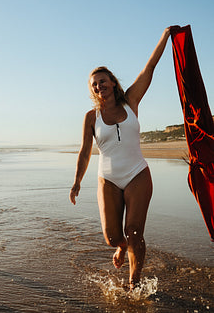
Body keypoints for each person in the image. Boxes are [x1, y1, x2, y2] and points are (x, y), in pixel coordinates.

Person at [69, 27, 171, 290]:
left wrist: (165, 36)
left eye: (102, 81)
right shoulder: (91, 117)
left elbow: (148, 68)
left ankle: (133, 282)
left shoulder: (131, 102)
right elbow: (84, 151)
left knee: (135, 231)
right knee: (113, 236)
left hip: (137, 173)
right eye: (94, 84)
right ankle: (121, 249)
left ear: (113, 82)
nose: (99, 85)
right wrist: (77, 181)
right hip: (109, 178)